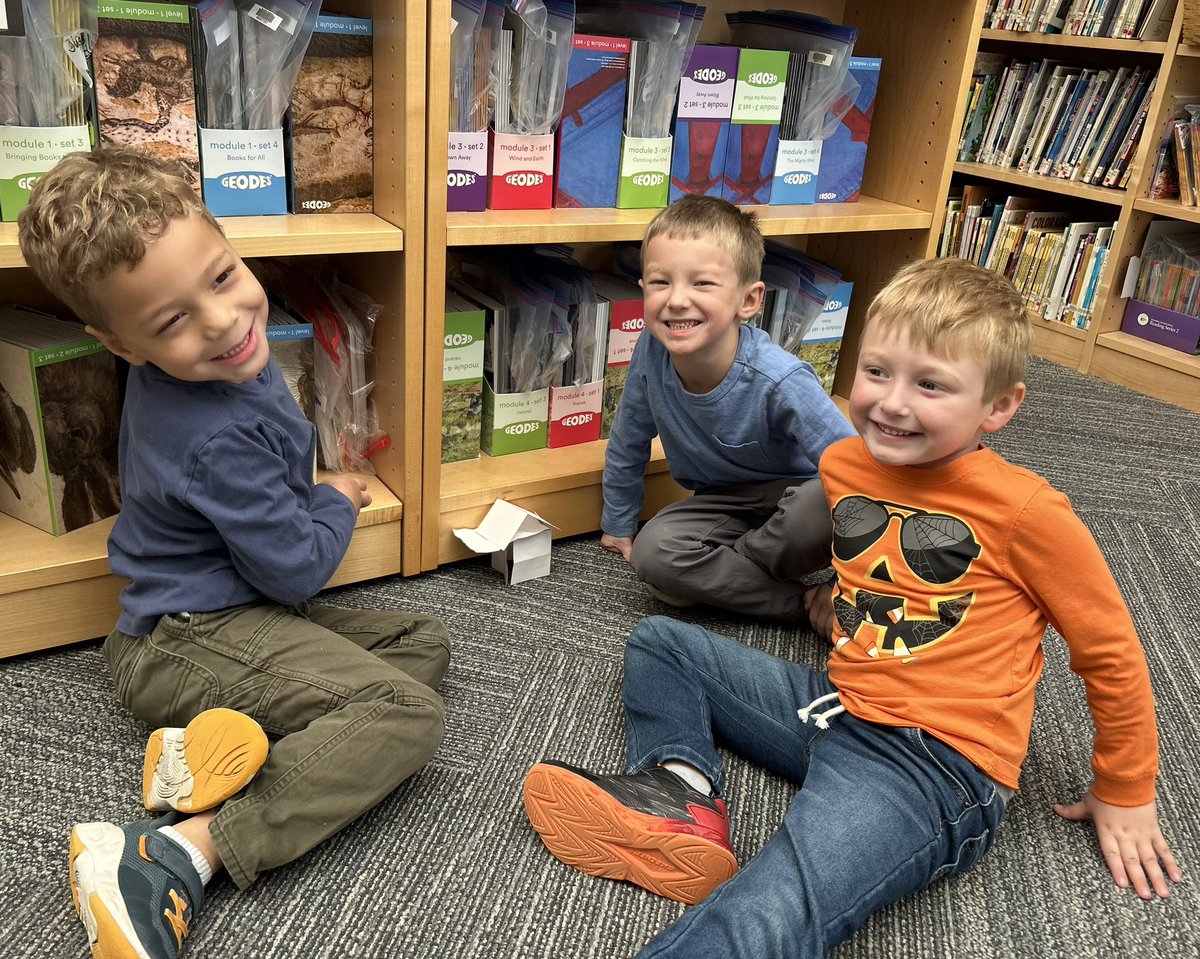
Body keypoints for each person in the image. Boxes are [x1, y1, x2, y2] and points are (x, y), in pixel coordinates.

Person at [523, 257, 1181, 957]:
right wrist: (841, 600)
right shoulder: (844, 466)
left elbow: (1110, 651)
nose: (892, 403)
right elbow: (878, 561)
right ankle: (680, 789)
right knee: (659, 641)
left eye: (930, 384)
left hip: (934, 763)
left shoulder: (1029, 512)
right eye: (877, 372)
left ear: (999, 406)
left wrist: (1126, 788)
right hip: (840, 703)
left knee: (774, 904)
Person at [18, 146, 451, 959]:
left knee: (420, 642)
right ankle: (177, 852)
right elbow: (293, 566)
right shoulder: (215, 435)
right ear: (121, 344)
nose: (221, 322)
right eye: (172, 320)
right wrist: (333, 498)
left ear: (232, 247)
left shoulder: (208, 370)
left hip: (220, 617)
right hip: (189, 634)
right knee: (404, 712)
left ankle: (200, 754)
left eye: (221, 278)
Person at [600, 194, 853, 621]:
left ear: (748, 301)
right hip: (722, 504)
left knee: (823, 504)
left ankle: (732, 571)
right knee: (655, 551)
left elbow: (855, 469)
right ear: (642, 290)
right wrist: (618, 523)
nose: (677, 300)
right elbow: (629, 439)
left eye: (702, 283)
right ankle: (805, 605)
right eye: (661, 282)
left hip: (798, 503)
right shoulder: (650, 350)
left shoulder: (780, 378)